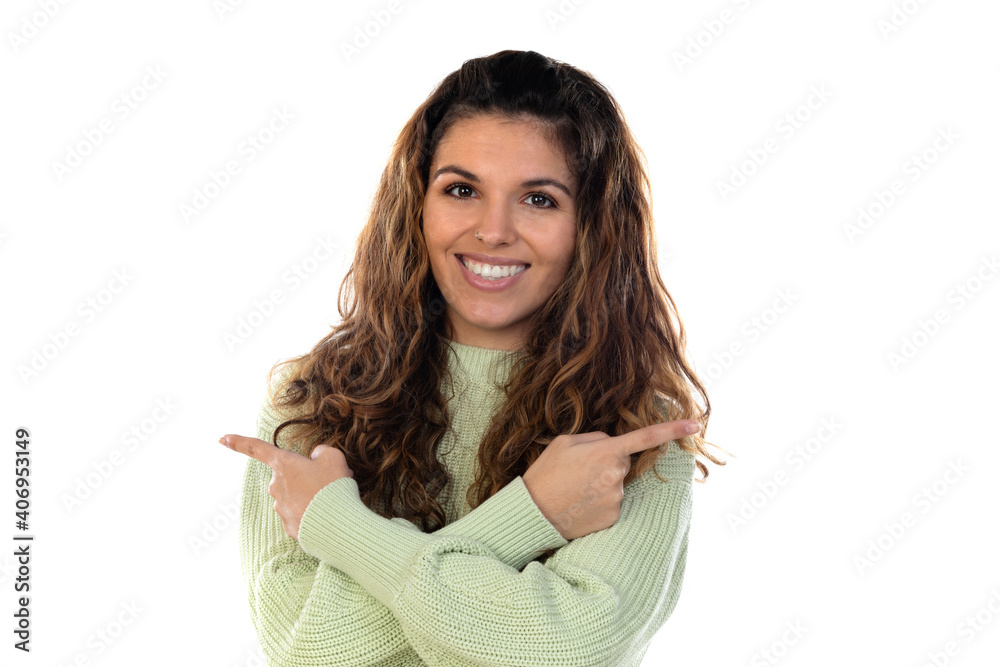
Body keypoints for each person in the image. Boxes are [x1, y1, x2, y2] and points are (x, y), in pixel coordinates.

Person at [221, 49, 725, 666]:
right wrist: (533, 515)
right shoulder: (311, 400)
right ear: (417, 203)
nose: (493, 231)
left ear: (592, 226)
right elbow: (307, 653)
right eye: (462, 190)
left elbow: (568, 648)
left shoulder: (635, 425)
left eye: (539, 199)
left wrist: (337, 526)